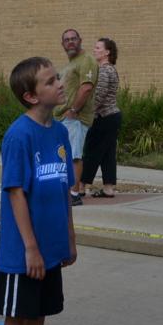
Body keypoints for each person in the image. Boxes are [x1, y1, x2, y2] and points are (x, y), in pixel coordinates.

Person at [0, 57, 78, 325]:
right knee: (18, 316)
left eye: (57, 78)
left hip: (51, 247)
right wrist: (30, 247)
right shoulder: (19, 135)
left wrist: (69, 239)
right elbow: (16, 193)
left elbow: (65, 191)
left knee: (39, 312)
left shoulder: (60, 133)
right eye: (50, 81)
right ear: (31, 96)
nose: (59, 84)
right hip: (23, 252)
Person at [54, 29, 97, 206]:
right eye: (66, 40)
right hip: (62, 118)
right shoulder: (71, 63)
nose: (70, 42)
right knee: (64, 155)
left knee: (74, 156)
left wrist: (73, 109)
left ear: (80, 40)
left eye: (73, 39)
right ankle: (66, 190)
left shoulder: (87, 60)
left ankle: (74, 193)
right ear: (62, 44)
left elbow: (86, 87)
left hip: (76, 118)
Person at [79, 37, 122, 198]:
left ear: (107, 52)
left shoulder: (104, 70)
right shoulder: (110, 69)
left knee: (91, 151)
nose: (94, 50)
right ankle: (108, 188)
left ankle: (81, 186)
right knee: (107, 154)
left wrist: (85, 113)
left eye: (98, 48)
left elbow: (98, 96)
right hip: (112, 117)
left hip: (103, 117)